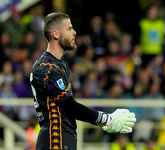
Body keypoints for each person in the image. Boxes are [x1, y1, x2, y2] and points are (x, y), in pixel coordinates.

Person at [30, 12, 137, 150]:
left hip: (63, 138)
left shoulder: (59, 64)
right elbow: (69, 105)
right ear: (56, 34)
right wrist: (106, 119)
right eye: (69, 28)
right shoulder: (47, 68)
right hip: (55, 140)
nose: (74, 32)